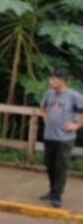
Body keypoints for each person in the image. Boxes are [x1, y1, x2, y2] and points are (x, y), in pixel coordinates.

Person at [39, 71, 83, 209]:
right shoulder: (49, 94)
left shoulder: (74, 96)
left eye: (53, 79)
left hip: (65, 138)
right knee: (49, 164)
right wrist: (47, 121)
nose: (50, 82)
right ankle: (52, 189)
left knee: (61, 166)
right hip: (49, 136)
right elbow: (43, 108)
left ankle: (57, 195)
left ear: (62, 80)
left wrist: (76, 125)